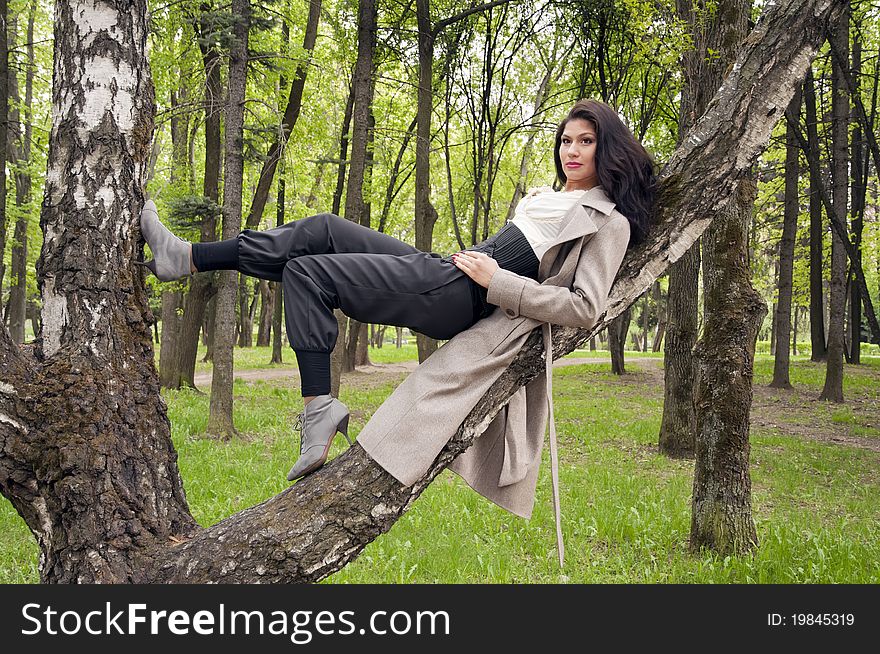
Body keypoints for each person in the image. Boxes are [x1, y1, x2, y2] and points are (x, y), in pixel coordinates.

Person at [138, 99, 655, 515]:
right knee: (321, 228)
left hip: (464, 291)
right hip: (447, 267)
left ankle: (318, 406)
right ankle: (184, 257)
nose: (572, 150)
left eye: (585, 142)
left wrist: (498, 282)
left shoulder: (608, 220)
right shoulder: (549, 195)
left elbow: (584, 307)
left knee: (307, 272)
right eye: (566, 140)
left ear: (606, 148)